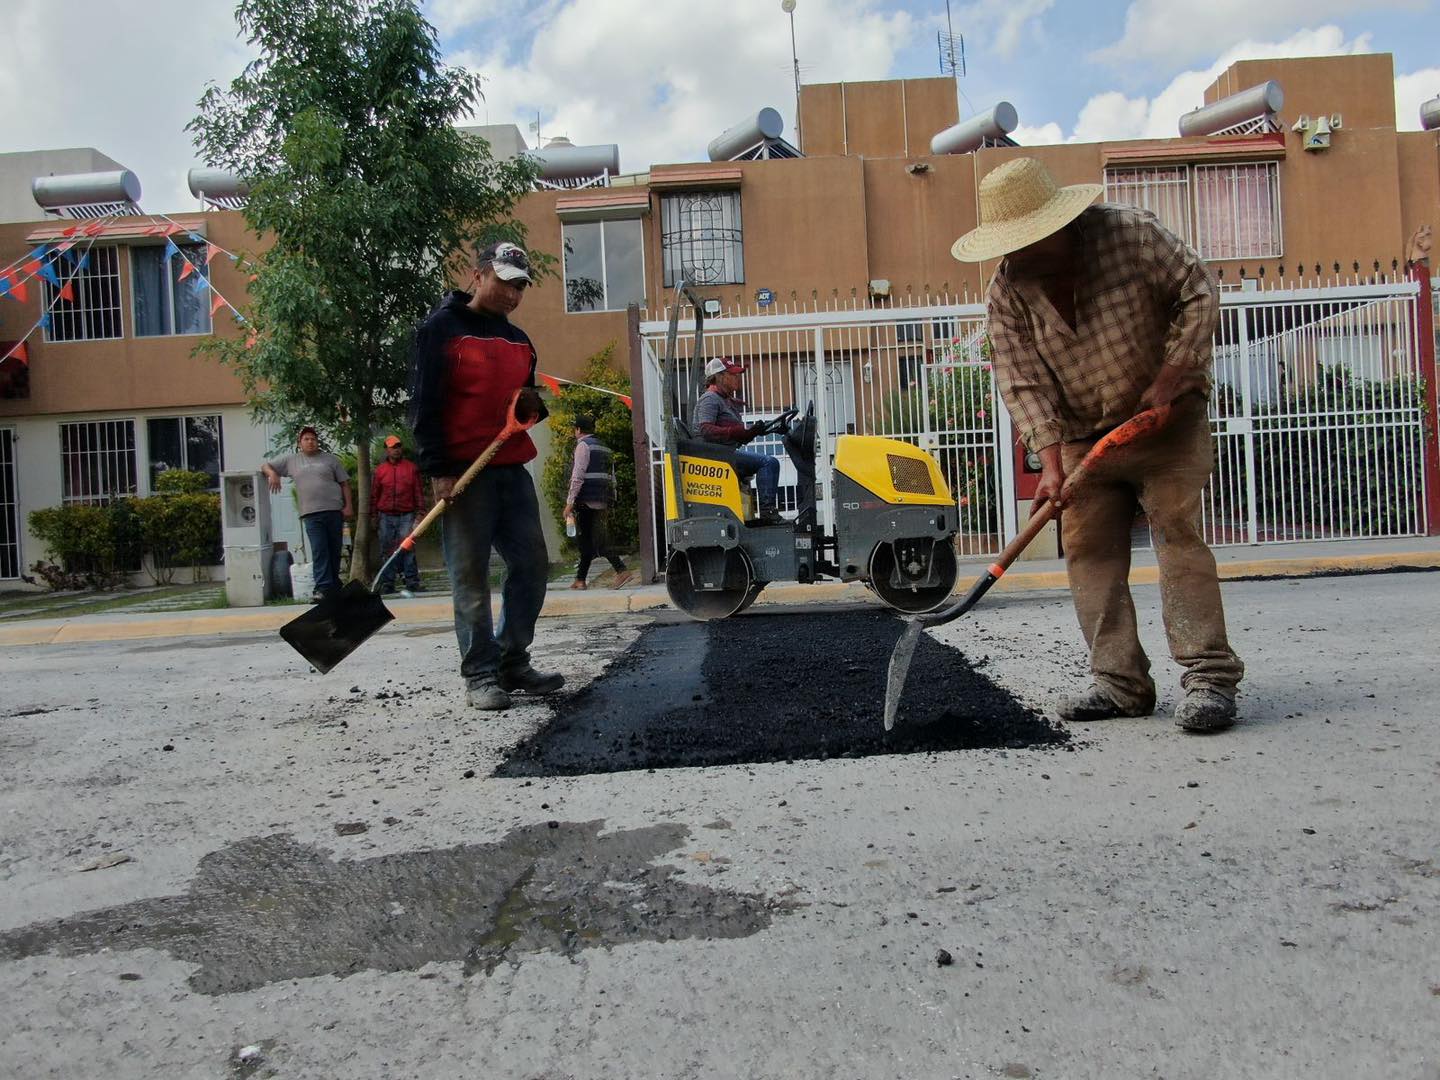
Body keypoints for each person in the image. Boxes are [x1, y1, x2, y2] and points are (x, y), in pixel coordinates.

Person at [951, 157, 1244, 733]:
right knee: (1087, 550)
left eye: (1032, 240)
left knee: (1177, 535)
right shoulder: (1009, 289)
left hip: (1165, 423)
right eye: (1012, 245)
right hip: (1087, 438)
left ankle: (1209, 677)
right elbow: (1022, 381)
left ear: (1062, 224)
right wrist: (1053, 465)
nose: (1022, 255)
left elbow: (1199, 292)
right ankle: (1119, 683)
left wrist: (1171, 376)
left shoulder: (1132, 236)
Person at [409, 240, 560, 712]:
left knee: (533, 564)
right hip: (463, 474)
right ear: (478, 276)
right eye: (503, 282)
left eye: (520, 287)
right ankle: (480, 674)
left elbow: (525, 399)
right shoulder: (441, 330)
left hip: (511, 468)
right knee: (470, 575)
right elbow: (424, 403)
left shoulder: (520, 340)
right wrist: (438, 470)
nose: (512, 295)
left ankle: (514, 660)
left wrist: (535, 407)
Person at [262, 426, 351, 602]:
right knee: (319, 550)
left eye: (313, 439)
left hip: (333, 511)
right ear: (300, 443)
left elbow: (344, 484)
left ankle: (334, 586)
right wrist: (273, 474)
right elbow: (266, 465)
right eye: (306, 439)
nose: (310, 442)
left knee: (334, 550)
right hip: (311, 514)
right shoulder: (292, 461)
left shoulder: (330, 459)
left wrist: (348, 506)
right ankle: (322, 588)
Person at [692, 357, 782, 523]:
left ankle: (758, 513)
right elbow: (705, 430)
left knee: (765, 462)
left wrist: (753, 432)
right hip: (716, 457)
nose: (737, 378)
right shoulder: (710, 399)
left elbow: (736, 434)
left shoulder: (724, 400)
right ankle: (767, 511)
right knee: (768, 462)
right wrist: (737, 432)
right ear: (720, 377)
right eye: (733, 375)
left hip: (723, 454)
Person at [563, 414, 633, 590]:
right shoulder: (604, 447)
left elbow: (577, 476)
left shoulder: (583, 446)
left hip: (587, 499)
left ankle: (621, 570)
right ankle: (580, 579)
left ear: (578, 430)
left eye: (575, 428)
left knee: (596, 540)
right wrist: (612, 499)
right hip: (603, 498)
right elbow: (612, 477)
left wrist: (570, 502)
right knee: (587, 539)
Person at [371, 435, 425, 594]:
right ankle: (388, 583)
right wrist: (373, 515)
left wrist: (421, 512)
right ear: (387, 450)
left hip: (406, 514)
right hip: (385, 515)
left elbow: (418, 492)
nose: (396, 450)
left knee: (408, 548)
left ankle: (412, 581)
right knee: (386, 549)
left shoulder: (411, 468)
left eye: (398, 446)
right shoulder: (380, 471)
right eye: (393, 447)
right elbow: (374, 494)